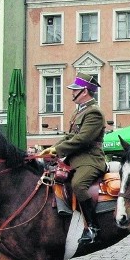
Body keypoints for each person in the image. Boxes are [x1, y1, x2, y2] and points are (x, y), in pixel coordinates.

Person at [40, 73, 107, 244]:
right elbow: (70, 136)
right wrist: (51, 149)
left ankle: (92, 227)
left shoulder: (94, 112)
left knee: (78, 184)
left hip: (90, 160)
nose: (71, 93)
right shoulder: (79, 112)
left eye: (74, 90)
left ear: (84, 91)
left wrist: (58, 149)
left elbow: (82, 139)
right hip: (74, 158)